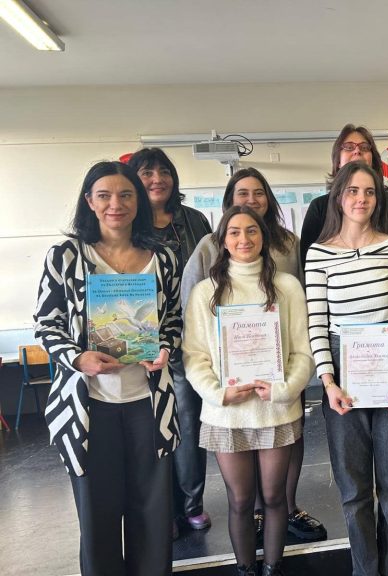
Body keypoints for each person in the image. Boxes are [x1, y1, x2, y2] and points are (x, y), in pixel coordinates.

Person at [34, 161, 181, 576]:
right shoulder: (66, 256)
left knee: (153, 515)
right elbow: (46, 324)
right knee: (97, 517)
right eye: (104, 195)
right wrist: (78, 358)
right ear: (89, 201)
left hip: (149, 404)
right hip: (89, 408)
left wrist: (165, 348)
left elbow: (173, 319)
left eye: (126, 194)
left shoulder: (164, 258)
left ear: (139, 200)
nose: (116, 204)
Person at [183, 167, 326, 541]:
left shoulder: (289, 244)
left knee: (286, 450)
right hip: (231, 385)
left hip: (279, 379)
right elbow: (194, 317)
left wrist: (289, 381)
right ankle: (258, 518)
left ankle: (287, 509)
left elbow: (301, 310)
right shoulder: (209, 248)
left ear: (269, 198)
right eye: (242, 193)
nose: (251, 199)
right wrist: (214, 383)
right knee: (242, 489)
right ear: (229, 202)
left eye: (258, 192)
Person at [305, 161, 388, 576]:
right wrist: (328, 382)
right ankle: (365, 571)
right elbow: (316, 323)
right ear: (338, 196)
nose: (361, 199)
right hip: (342, 371)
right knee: (354, 492)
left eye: (369, 191)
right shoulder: (318, 254)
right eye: (352, 191)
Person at [126, 148, 214, 532]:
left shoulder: (194, 220)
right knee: (151, 428)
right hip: (142, 340)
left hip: (192, 339)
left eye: (164, 171)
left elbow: (214, 273)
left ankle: (191, 503)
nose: (157, 178)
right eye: (147, 172)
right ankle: (164, 509)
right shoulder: (127, 223)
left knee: (190, 425)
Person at [299, 123, 388, 270]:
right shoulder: (319, 208)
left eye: (364, 147)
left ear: (373, 159)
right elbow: (308, 264)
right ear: (338, 161)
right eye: (349, 147)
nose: (357, 151)